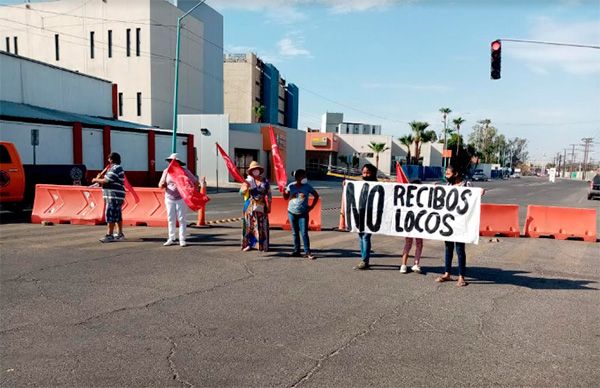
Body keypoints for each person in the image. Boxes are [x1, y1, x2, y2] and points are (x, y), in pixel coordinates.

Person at [436, 164, 471, 287]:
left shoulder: (466, 185)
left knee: (460, 250)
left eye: (448, 174)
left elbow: (472, 200)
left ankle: (461, 277)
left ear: (455, 174)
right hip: (449, 223)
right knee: (448, 248)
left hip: (461, 224)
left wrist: (480, 192)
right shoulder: (448, 186)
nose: (446, 176)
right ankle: (447, 273)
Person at [159, 153, 201, 247]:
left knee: (182, 219)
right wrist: (162, 185)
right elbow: (161, 183)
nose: (171, 163)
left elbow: (195, 181)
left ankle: (182, 239)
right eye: (170, 161)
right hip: (169, 197)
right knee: (171, 218)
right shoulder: (166, 171)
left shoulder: (184, 171)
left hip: (181, 198)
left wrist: (193, 191)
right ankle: (171, 238)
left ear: (178, 163)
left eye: (173, 162)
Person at [283, 169, 319, 260]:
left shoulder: (307, 186)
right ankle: (297, 251)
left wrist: (311, 207)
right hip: (291, 212)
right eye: (303, 176)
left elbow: (316, 196)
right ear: (297, 177)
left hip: (303, 213)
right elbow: (285, 197)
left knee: (304, 233)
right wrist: (285, 192)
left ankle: (307, 252)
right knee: (295, 233)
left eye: (305, 176)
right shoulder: (290, 186)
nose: (305, 178)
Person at [92, 152, 125, 243]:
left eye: (109, 159)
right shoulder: (114, 168)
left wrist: (96, 179)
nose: (108, 160)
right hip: (116, 195)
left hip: (114, 196)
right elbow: (107, 179)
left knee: (110, 214)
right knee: (117, 215)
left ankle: (109, 235)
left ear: (111, 159)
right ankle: (119, 234)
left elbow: (107, 181)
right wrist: (100, 178)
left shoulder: (115, 168)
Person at [240, 161, 271, 252]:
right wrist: (245, 189)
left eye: (256, 169)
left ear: (259, 170)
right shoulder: (248, 181)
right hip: (250, 206)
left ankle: (262, 245)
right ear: (251, 171)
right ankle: (249, 244)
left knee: (262, 225)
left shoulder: (265, 181)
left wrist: (269, 206)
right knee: (249, 226)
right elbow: (241, 192)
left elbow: (269, 194)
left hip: (261, 206)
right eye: (253, 170)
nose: (255, 171)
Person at [354, 163, 378, 270]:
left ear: (372, 173)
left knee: (366, 237)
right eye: (364, 172)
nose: (365, 174)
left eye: (368, 172)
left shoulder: (377, 185)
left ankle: (365, 260)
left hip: (371, 215)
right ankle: (363, 258)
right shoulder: (359, 184)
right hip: (360, 214)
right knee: (360, 236)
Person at [400, 179, 424, 274]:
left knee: (410, 244)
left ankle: (405, 265)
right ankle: (413, 264)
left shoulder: (407, 197)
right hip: (414, 223)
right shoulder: (422, 197)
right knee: (417, 244)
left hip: (412, 223)